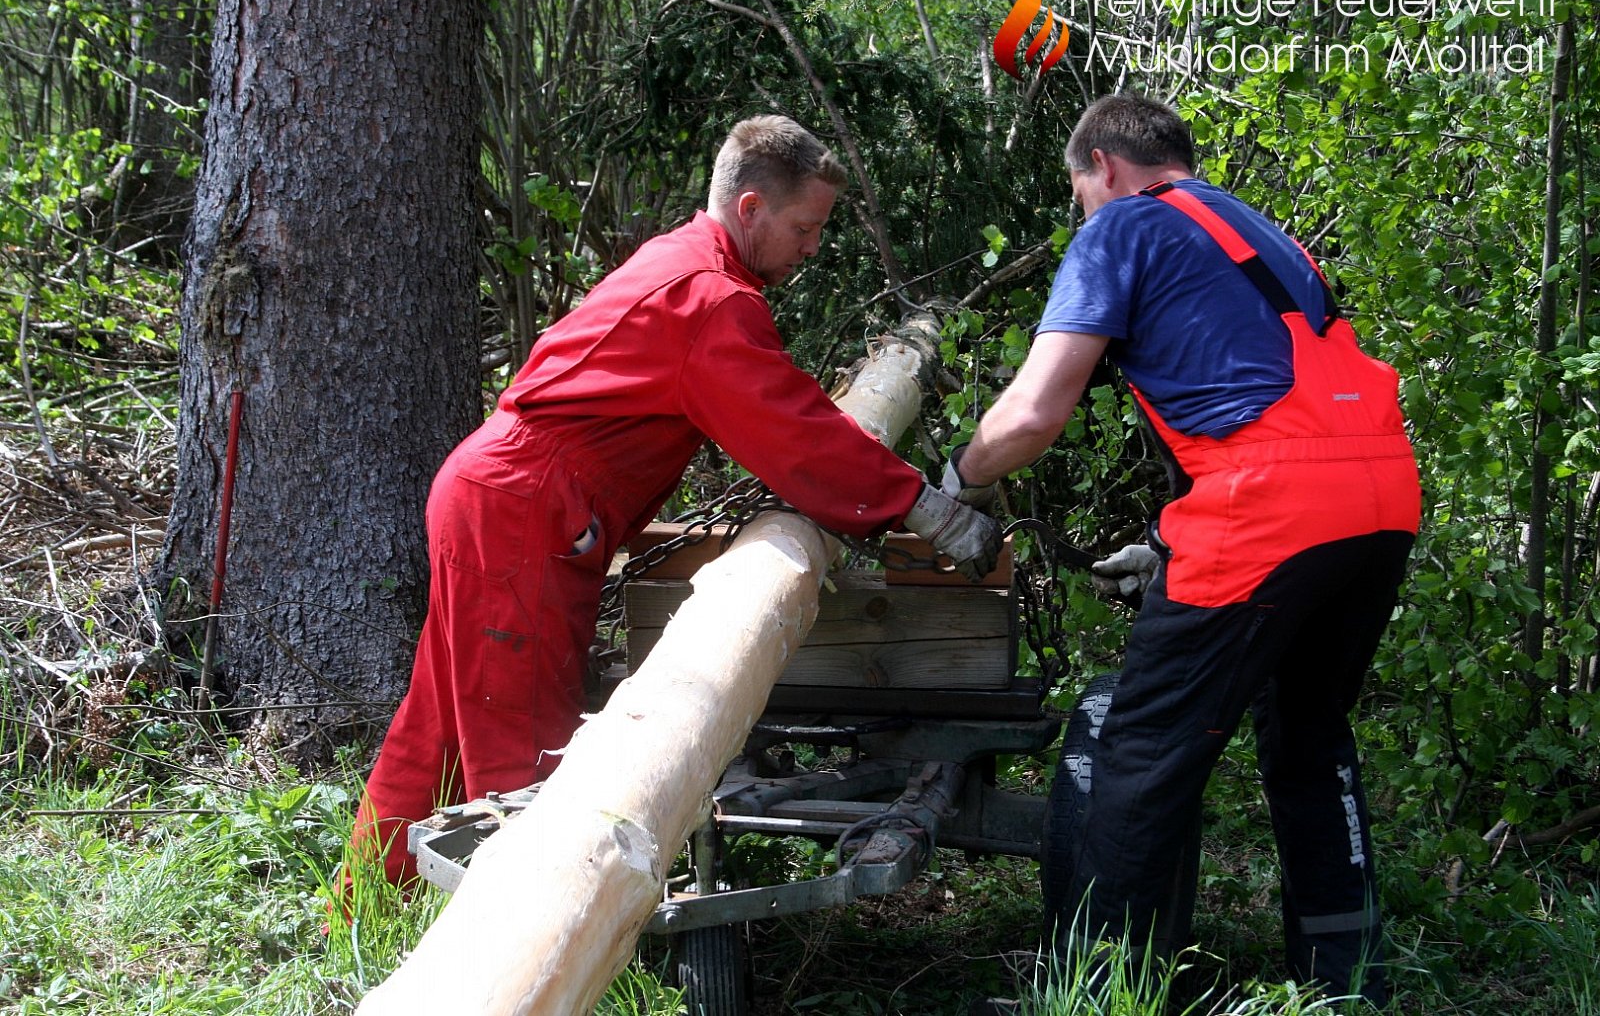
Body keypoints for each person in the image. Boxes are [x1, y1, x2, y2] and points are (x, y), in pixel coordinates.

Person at [348, 114, 1001, 888]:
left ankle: (366, 903)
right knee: (521, 748)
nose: (812, 247)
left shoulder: (682, 260)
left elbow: (782, 420)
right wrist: (927, 509)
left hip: (494, 491)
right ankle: (526, 928)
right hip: (523, 507)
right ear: (751, 208)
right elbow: (799, 436)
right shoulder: (709, 297)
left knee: (438, 724)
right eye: (804, 227)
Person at [942, 94, 1419, 1005]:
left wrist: (959, 478)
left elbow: (1035, 412)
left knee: (1142, 752)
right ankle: (1347, 982)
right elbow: (1273, 397)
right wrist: (1168, 535)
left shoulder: (1122, 227)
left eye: (1079, 192)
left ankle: (1093, 988)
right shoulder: (1262, 232)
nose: (1084, 209)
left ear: (1103, 166)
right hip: (1383, 496)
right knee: (1311, 733)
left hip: (1271, 510)